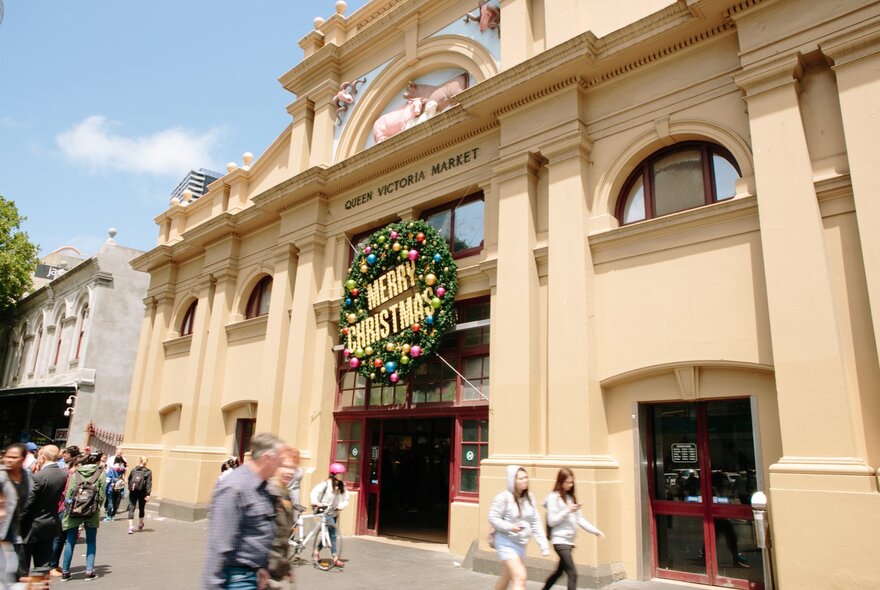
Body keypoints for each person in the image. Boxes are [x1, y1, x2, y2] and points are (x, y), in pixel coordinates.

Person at [203, 433, 285, 589]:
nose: (279, 467)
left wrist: (260, 567)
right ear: (267, 458)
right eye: (278, 461)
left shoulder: (262, 487)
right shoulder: (235, 487)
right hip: (236, 580)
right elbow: (219, 546)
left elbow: (255, 533)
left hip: (252, 575)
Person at [541, 468, 605, 590]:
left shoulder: (570, 498)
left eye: (572, 482)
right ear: (561, 481)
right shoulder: (553, 498)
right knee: (573, 573)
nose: (570, 485)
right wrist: (568, 510)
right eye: (568, 482)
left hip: (569, 542)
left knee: (558, 573)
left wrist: (596, 531)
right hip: (560, 541)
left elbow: (580, 520)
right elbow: (552, 521)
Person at [488, 465, 550, 590]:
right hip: (505, 541)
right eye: (521, 479)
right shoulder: (503, 498)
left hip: (521, 543)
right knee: (520, 577)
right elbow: (493, 518)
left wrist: (543, 545)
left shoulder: (529, 497)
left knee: (507, 576)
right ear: (513, 481)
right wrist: (511, 527)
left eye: (526, 477)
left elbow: (535, 521)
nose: (525, 480)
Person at [18, 445, 67, 579]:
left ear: (42, 457)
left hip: (30, 528)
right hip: (49, 524)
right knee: (41, 567)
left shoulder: (38, 477)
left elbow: (28, 504)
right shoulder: (63, 474)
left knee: (22, 568)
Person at [60, 451, 106, 581]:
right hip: (91, 512)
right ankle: (89, 571)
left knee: (70, 541)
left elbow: (68, 494)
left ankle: (65, 571)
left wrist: (70, 509)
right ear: (97, 461)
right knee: (91, 541)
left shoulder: (76, 473)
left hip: (75, 511)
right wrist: (96, 508)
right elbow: (102, 496)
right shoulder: (101, 474)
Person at [266, 447, 298, 588]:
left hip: (278, 567)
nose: (289, 472)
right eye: (285, 466)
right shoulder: (269, 492)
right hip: (266, 569)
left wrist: (286, 568)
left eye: (293, 468)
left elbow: (283, 537)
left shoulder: (286, 493)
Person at [309, 462, 349, 568]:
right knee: (332, 534)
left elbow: (345, 499)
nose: (342, 476)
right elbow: (314, 493)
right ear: (334, 474)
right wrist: (316, 502)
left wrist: (341, 506)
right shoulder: (325, 484)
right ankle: (335, 557)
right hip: (324, 512)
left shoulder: (342, 486)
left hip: (334, 512)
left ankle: (316, 551)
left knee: (327, 535)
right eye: (340, 474)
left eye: (342, 474)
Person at [3, 443, 32, 581]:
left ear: (22, 459)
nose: (9, 460)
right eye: (7, 456)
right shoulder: (2, 476)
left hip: (13, 533)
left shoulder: (25, 476)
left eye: (14, 457)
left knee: (19, 575)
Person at [126, 456, 152, 534]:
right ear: (146, 462)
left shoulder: (134, 470)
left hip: (133, 491)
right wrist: (148, 494)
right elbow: (148, 483)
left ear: (139, 461)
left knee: (131, 508)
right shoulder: (148, 472)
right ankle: (140, 524)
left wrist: (130, 488)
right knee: (141, 508)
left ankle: (130, 527)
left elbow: (129, 479)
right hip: (143, 493)